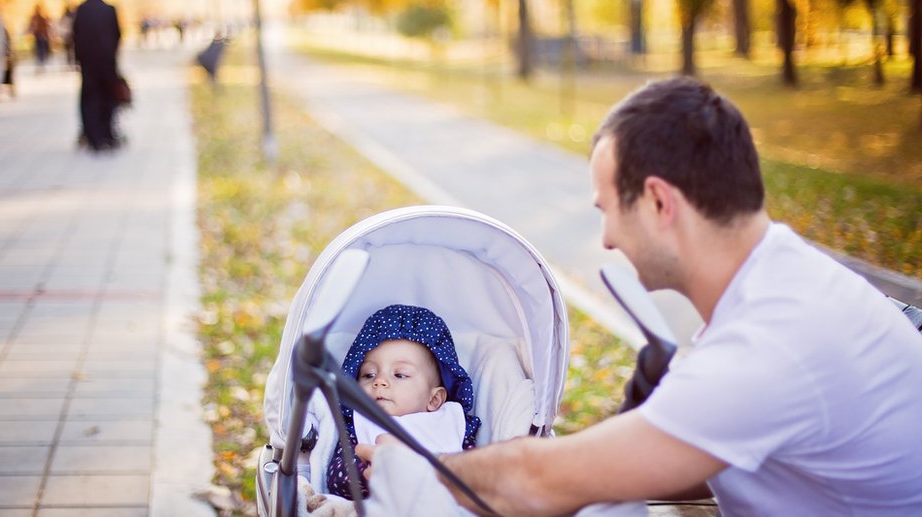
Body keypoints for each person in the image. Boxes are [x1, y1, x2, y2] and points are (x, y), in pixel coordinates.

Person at [357, 77, 922, 516]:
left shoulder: (770, 343)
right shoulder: (786, 284)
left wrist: (416, 467)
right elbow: (703, 463)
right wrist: (629, 438)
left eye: (608, 210)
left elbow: (537, 481)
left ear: (658, 202)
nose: (606, 239)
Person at [327, 304, 480, 500]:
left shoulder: (450, 424)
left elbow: (474, 478)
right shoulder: (357, 426)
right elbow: (337, 480)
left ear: (434, 399)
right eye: (368, 374)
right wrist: (369, 469)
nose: (379, 381)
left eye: (400, 374)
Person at [73, 0, 122, 151]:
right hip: (107, 63)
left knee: (89, 99)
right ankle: (107, 134)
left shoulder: (81, 10)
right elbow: (117, 35)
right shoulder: (109, 10)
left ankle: (93, 136)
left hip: (88, 63)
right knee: (108, 98)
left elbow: (75, 37)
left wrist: (78, 60)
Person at [27, 4, 51, 72]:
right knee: (37, 50)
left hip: (42, 36)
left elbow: (46, 26)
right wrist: (29, 33)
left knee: (42, 50)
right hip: (37, 36)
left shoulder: (42, 17)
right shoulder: (34, 17)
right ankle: (39, 64)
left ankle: (42, 63)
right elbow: (31, 26)